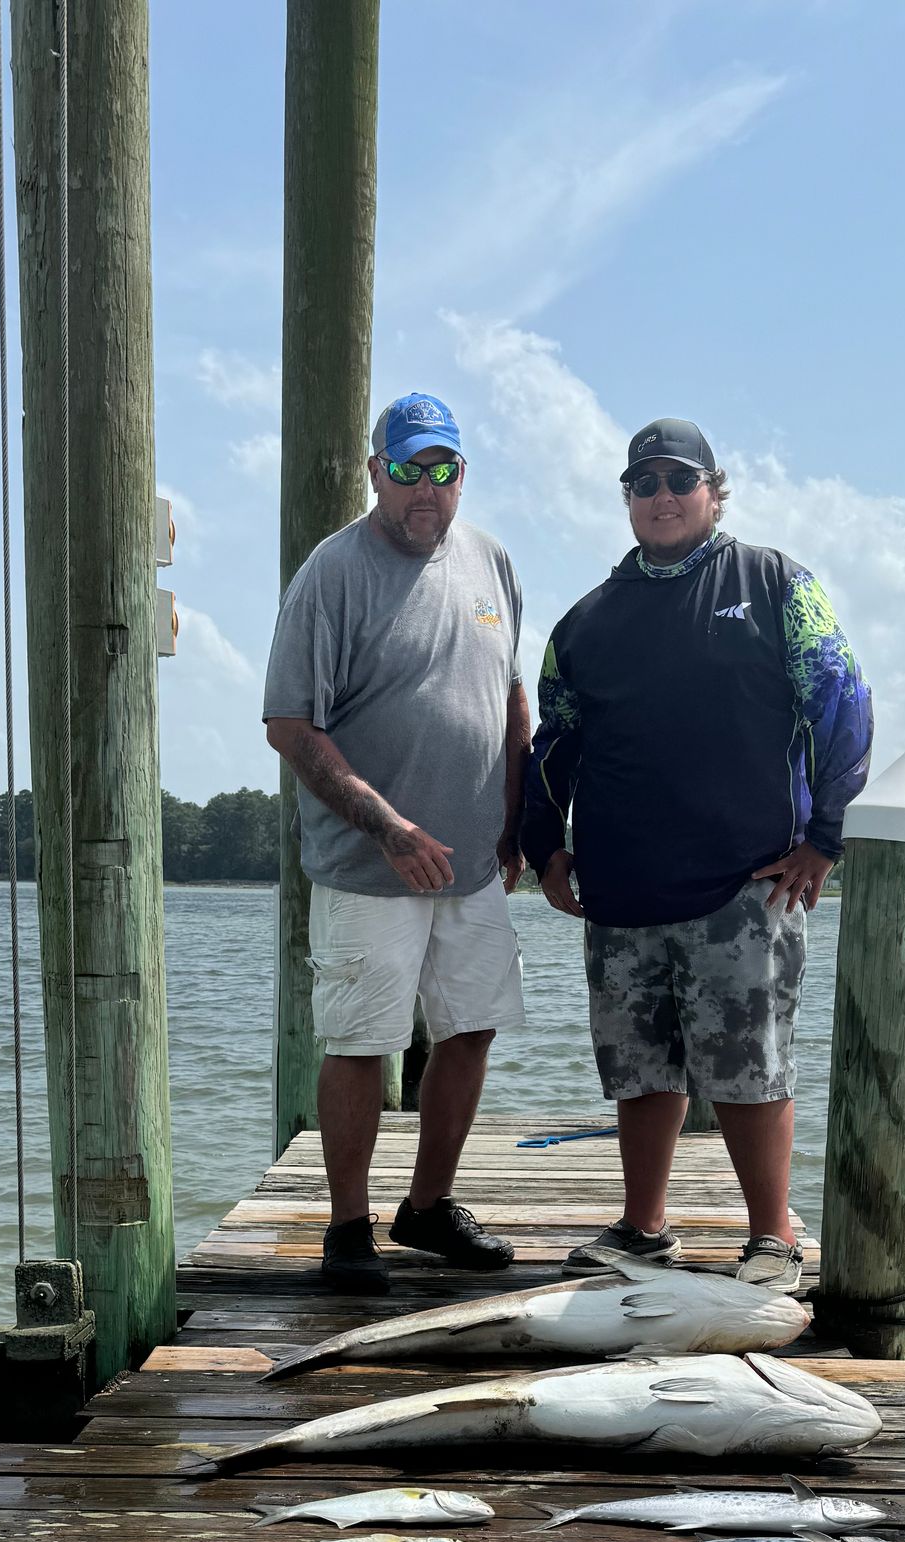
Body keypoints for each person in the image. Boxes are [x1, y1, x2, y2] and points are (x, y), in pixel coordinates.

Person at [519, 417, 872, 1288]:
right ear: (628, 500)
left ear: (717, 490)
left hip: (742, 887)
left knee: (751, 1070)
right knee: (640, 1071)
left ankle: (771, 1239)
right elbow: (553, 744)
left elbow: (842, 699)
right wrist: (544, 850)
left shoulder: (775, 582)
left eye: (681, 481)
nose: (664, 498)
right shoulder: (586, 622)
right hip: (621, 890)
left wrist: (824, 837)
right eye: (646, 485)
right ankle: (643, 1229)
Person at [263, 391, 530, 1292]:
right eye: (408, 468)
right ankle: (348, 1227)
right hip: (368, 867)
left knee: (470, 1028)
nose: (426, 488)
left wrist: (521, 821)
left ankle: (427, 1207)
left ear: (463, 475)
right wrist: (386, 825)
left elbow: (510, 703)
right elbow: (291, 725)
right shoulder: (332, 573)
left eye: (443, 469)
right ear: (376, 473)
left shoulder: (492, 560)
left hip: (473, 866)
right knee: (361, 1042)